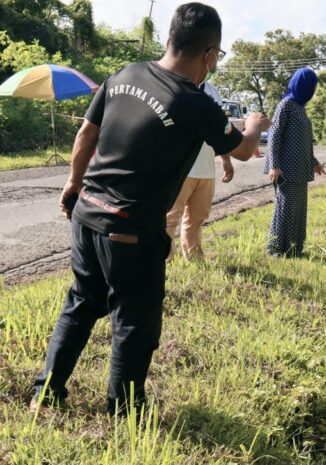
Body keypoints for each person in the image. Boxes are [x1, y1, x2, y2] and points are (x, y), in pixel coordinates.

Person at [31, 2, 270, 416]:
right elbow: (246, 150)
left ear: (169, 38)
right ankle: (125, 413)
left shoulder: (125, 74)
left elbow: (87, 134)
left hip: (87, 212)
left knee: (82, 302)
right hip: (129, 229)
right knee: (134, 322)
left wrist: (73, 184)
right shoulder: (195, 103)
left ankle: (44, 393)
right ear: (210, 54)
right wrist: (255, 122)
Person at [166, 81, 233, 260]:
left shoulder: (212, 90)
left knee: (197, 219)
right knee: (170, 219)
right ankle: (165, 262)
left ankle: (195, 258)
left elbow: (221, 128)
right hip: (180, 168)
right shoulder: (174, 84)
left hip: (206, 169)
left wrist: (226, 159)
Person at [263, 67, 325, 258]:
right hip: (285, 170)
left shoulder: (300, 108)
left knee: (298, 210)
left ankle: (294, 249)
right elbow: (274, 135)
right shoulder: (286, 105)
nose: (312, 91)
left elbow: (304, 141)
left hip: (300, 169)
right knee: (285, 207)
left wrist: (314, 162)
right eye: (310, 86)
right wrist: (274, 165)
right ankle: (276, 249)